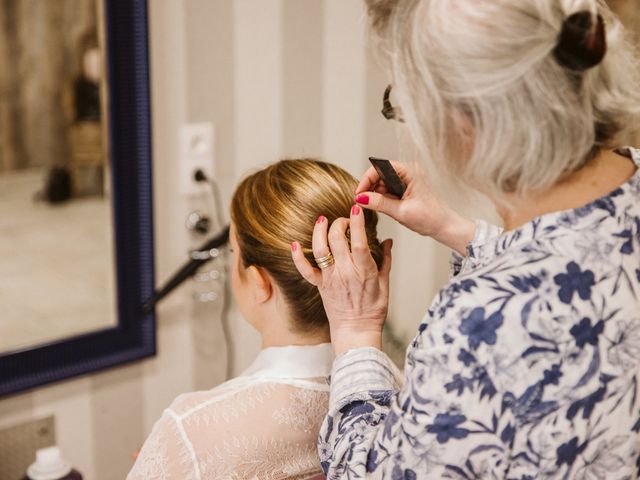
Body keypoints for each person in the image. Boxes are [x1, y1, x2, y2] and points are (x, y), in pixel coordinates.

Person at [291, 1, 640, 478]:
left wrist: (355, 332)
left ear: (461, 122)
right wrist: (462, 231)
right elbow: (585, 261)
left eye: (404, 103)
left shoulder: (480, 326)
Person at [127, 159, 394, 479]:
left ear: (259, 282)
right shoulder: (400, 392)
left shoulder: (190, 430)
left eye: (232, 253)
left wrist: (175, 457)